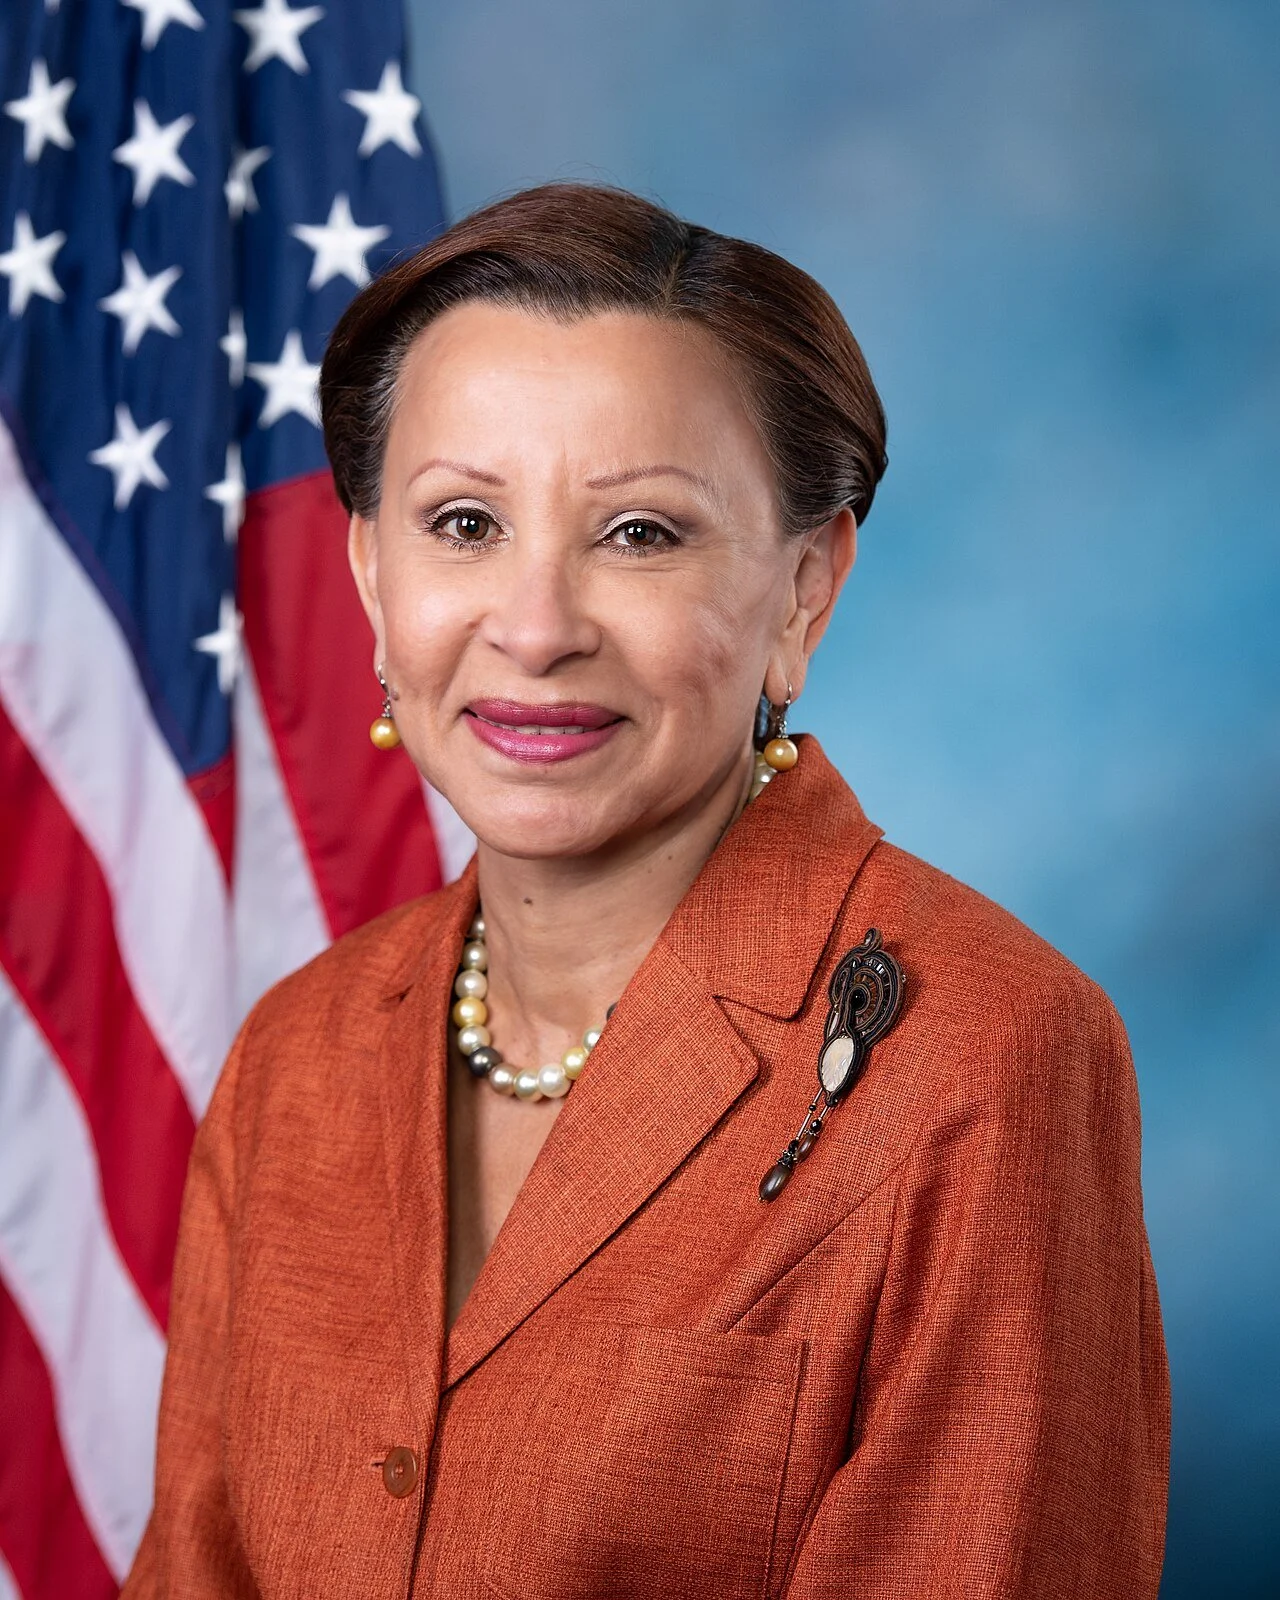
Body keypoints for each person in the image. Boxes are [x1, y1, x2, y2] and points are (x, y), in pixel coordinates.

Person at [123, 183, 1169, 1599]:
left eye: (640, 535)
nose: (535, 628)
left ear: (805, 590)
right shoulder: (297, 1052)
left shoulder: (982, 1058)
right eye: (464, 523)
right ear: (371, 572)